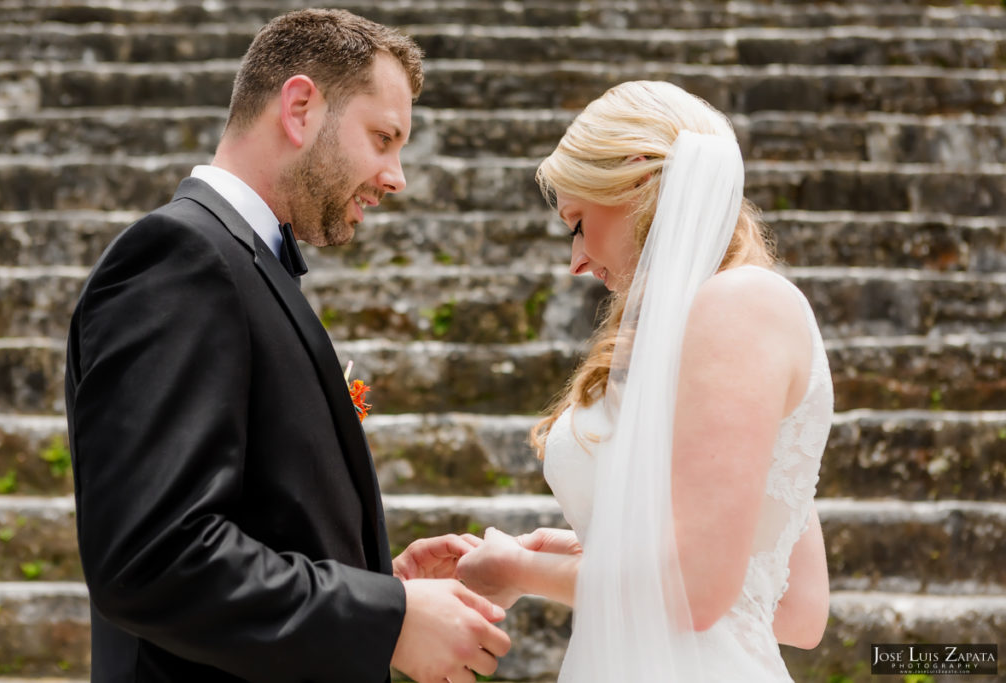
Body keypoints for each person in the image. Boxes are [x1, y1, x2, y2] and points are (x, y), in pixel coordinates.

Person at [64, 10, 509, 683]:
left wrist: (377, 578)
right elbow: (153, 557)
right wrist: (385, 616)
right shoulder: (179, 258)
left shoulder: (242, 262)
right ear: (300, 107)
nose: (396, 177)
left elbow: (249, 524)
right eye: (383, 138)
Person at [456, 80, 833, 681]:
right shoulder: (714, 320)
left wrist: (519, 573)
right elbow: (794, 608)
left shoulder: (741, 306)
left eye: (577, 222)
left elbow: (698, 589)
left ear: (635, 177)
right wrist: (577, 552)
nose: (575, 259)